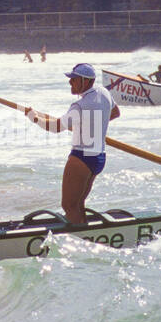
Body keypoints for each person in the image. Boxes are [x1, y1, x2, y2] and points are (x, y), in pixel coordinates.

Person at [23, 62, 120, 226]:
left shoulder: (79, 106)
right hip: (98, 157)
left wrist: (33, 117)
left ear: (86, 81)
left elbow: (54, 127)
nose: (70, 82)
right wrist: (93, 126)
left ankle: (80, 238)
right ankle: (84, 229)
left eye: (74, 79)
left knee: (69, 205)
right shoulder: (104, 93)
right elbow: (115, 113)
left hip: (81, 158)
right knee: (78, 204)